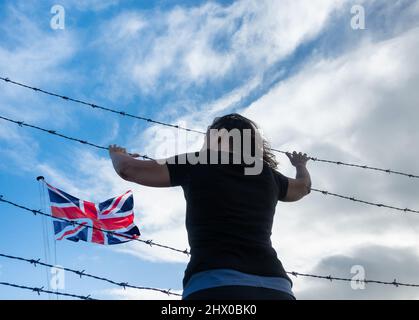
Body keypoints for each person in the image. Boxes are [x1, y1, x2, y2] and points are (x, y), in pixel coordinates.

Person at [109, 113, 311, 300]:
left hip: (215, 284)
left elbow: (129, 169)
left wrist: (117, 154)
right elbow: (303, 188)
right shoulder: (268, 175)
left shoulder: (199, 162)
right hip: (276, 287)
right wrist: (300, 166)